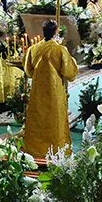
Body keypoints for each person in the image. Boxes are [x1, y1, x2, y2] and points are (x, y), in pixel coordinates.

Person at [22, 19, 77, 159]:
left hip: (38, 90)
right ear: (56, 32)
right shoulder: (60, 50)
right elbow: (70, 72)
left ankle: (35, 150)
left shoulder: (33, 49)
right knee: (55, 119)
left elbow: (28, 71)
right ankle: (57, 150)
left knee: (38, 119)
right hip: (54, 91)